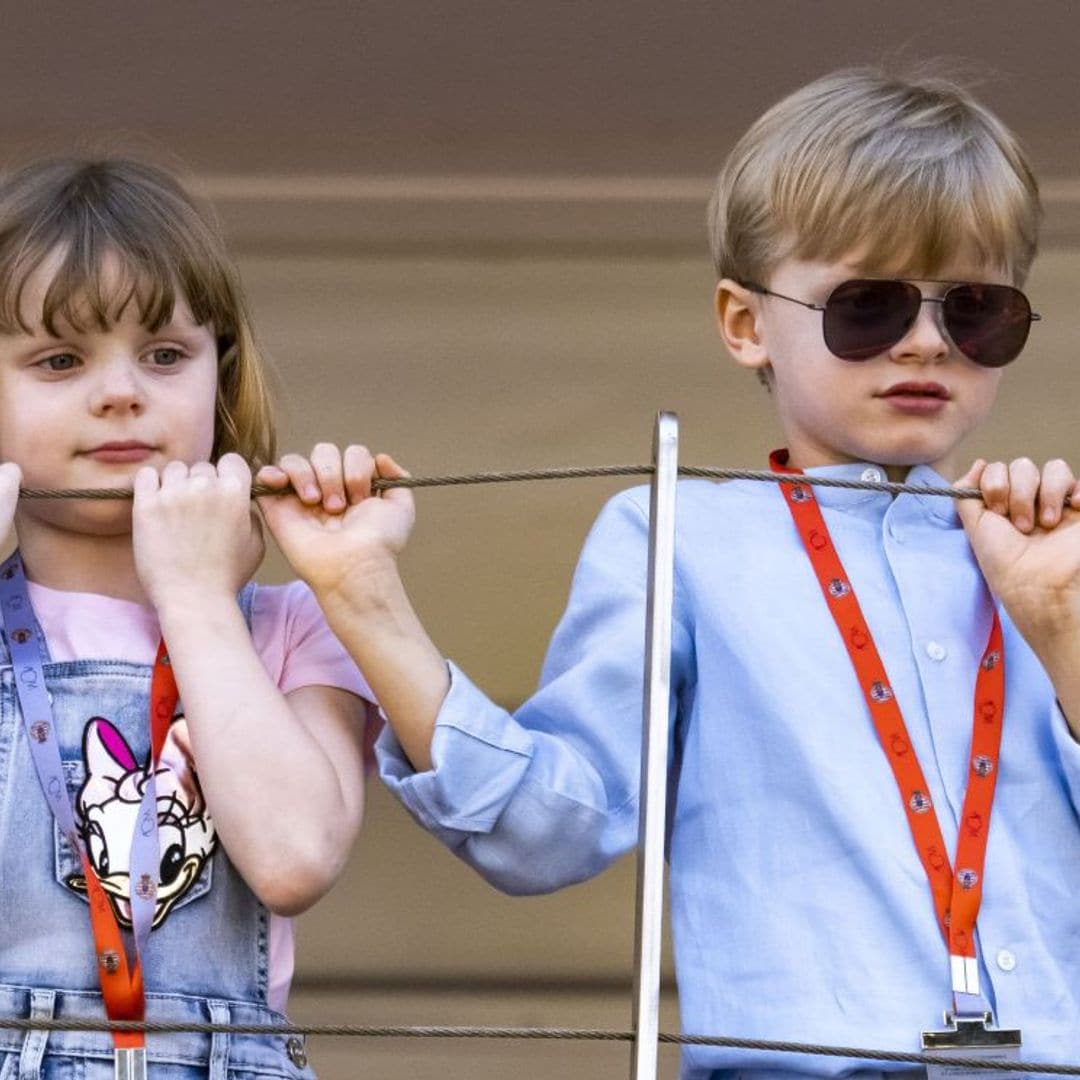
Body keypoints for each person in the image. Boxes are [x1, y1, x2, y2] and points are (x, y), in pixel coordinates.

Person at [257, 69, 1080, 1077]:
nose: (925, 340)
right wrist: (361, 594)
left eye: (978, 312)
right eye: (867, 306)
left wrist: (1060, 624)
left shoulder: (1053, 552)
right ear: (744, 323)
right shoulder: (679, 533)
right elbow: (547, 833)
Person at [0, 159, 377, 1080]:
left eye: (166, 355)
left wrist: (199, 601)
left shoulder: (291, 625)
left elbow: (293, 859)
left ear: (223, 372)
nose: (121, 392)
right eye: (60, 360)